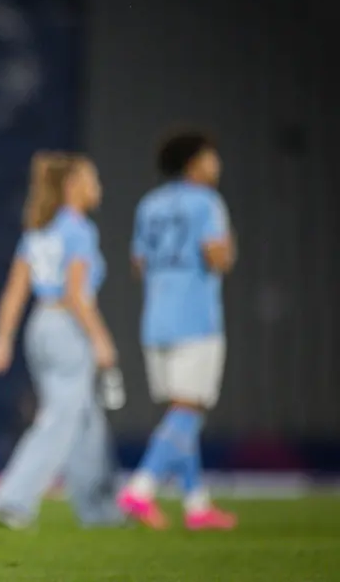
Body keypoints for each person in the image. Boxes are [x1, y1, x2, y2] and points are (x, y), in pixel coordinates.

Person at [0, 152, 122, 529]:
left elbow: (15, 291)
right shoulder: (79, 230)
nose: (98, 187)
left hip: (40, 324)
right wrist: (102, 339)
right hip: (67, 326)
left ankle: (100, 511)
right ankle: (13, 500)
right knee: (61, 418)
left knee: (87, 419)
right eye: (92, 179)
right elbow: (76, 295)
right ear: (72, 187)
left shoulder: (38, 230)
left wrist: (2, 339)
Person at [117, 128, 238, 530]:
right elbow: (218, 257)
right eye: (210, 157)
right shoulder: (207, 202)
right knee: (189, 410)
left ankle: (196, 504)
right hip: (196, 317)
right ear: (195, 162)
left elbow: (138, 264)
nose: (216, 165)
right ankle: (141, 486)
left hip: (156, 319)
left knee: (181, 412)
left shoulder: (149, 205)